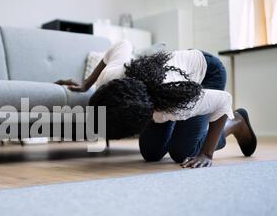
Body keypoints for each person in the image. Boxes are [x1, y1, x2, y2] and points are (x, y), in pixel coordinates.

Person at [55, 40, 257, 169]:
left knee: (183, 152)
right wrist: (85, 85)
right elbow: (121, 45)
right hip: (165, 81)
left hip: (206, 73)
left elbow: (224, 100)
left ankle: (237, 122)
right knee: (151, 153)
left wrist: (206, 153)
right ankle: (187, 129)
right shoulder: (111, 77)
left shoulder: (177, 104)